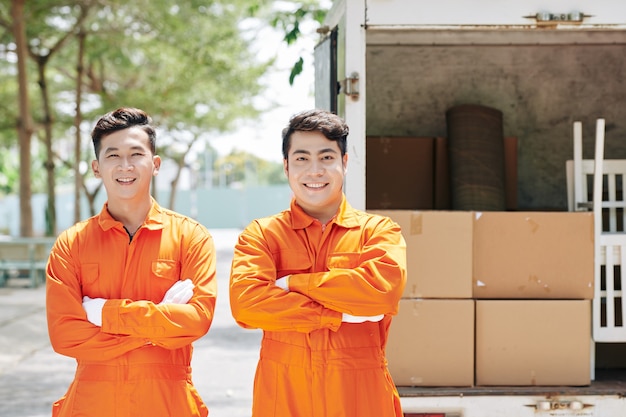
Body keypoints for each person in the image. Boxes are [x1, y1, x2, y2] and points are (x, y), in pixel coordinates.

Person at [229, 109, 407, 417]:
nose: (315, 171)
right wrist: (335, 314)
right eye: (301, 159)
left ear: (345, 163)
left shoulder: (377, 231)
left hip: (360, 396)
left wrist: (293, 283)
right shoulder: (262, 235)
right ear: (286, 167)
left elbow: (381, 292)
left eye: (326, 158)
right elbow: (247, 304)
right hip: (284, 396)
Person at [46, 107, 217, 417]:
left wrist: (102, 313)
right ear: (97, 168)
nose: (125, 166)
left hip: (168, 405)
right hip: (91, 406)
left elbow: (195, 321)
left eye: (136, 154)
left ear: (155, 164)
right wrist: (158, 325)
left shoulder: (191, 238)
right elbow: (64, 335)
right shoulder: (71, 245)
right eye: (113, 156)